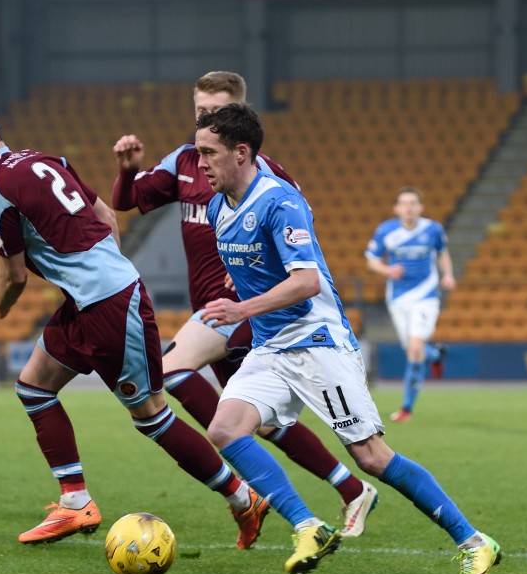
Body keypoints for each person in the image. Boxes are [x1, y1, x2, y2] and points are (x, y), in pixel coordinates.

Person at [0, 94, 301, 562]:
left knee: (151, 415)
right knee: (33, 387)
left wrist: (0, 309)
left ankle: (243, 497)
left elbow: (14, 276)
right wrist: (98, 269)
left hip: (108, 305)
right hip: (91, 298)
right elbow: (106, 215)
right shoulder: (46, 159)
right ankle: (75, 501)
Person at [196, 103, 501, 574]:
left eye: (208, 153)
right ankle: (307, 524)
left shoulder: (281, 202)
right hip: (272, 347)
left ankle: (475, 541)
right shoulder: (217, 208)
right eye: (198, 154)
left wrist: (240, 309)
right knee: (225, 429)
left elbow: (306, 282)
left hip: (319, 342)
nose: (200, 164)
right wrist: (244, 290)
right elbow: (257, 270)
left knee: (371, 457)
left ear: (241, 152)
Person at [111, 71, 379, 538]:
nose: (206, 121)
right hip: (218, 311)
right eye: (199, 113)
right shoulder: (184, 162)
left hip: (243, 307)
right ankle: (352, 488)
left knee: (171, 369)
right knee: (263, 423)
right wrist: (128, 169)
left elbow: (301, 247)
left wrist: (253, 301)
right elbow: (127, 201)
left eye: (215, 113)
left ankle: (248, 489)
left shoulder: (264, 175)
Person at [364, 187, 454, 422]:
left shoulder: (433, 229)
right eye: (404, 203)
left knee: (414, 348)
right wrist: (387, 270)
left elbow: (442, 253)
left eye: (413, 203)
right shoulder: (386, 230)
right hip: (398, 299)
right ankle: (435, 355)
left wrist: (448, 275)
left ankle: (406, 408)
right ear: (397, 208)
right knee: (414, 350)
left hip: (426, 296)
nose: (409, 207)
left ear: (420, 207)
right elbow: (371, 259)